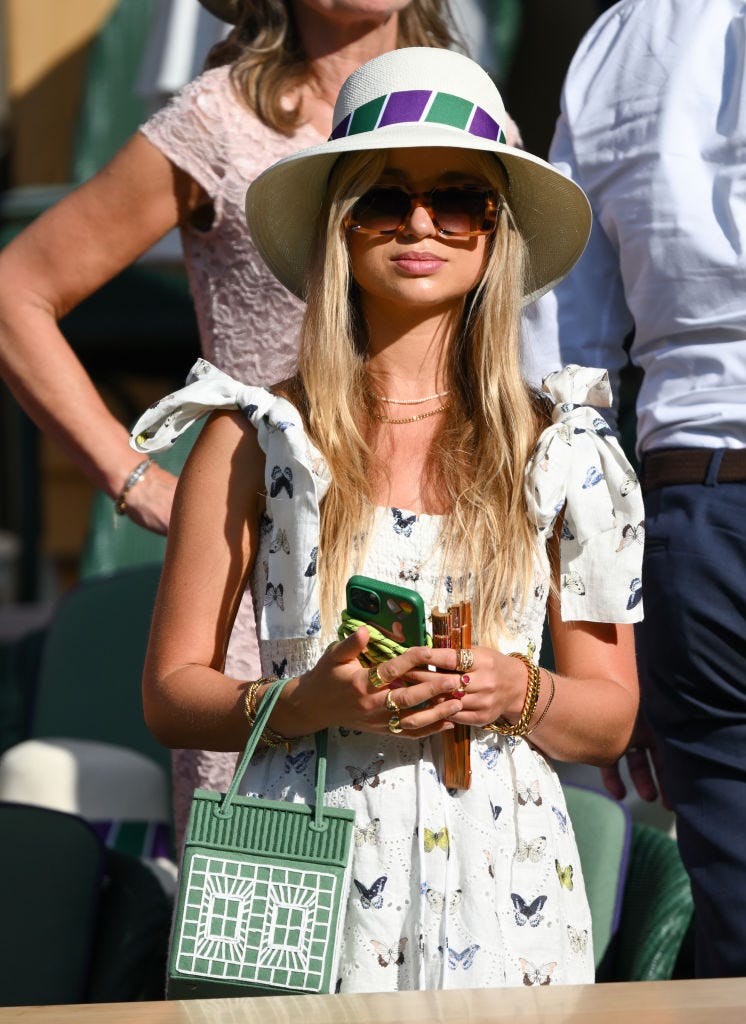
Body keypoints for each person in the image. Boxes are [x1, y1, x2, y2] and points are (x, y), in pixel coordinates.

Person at [130, 46, 643, 990]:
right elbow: (169, 693)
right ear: (339, 227)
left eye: (458, 200)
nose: (420, 224)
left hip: (504, 869)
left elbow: (611, 715)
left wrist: (512, 691)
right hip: (299, 852)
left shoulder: (562, 448)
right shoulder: (253, 439)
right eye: (381, 198)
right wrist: (303, 702)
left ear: (496, 234)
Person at [0, 0, 461, 847]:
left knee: (441, 884)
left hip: (435, 569)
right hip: (264, 589)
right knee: (263, 922)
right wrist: (137, 479)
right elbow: (13, 293)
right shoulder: (220, 118)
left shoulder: (461, 101)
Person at [526, 0, 746, 978]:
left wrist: (603, 641)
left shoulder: (609, 42)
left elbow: (562, 362)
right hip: (686, 502)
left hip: (685, 513)